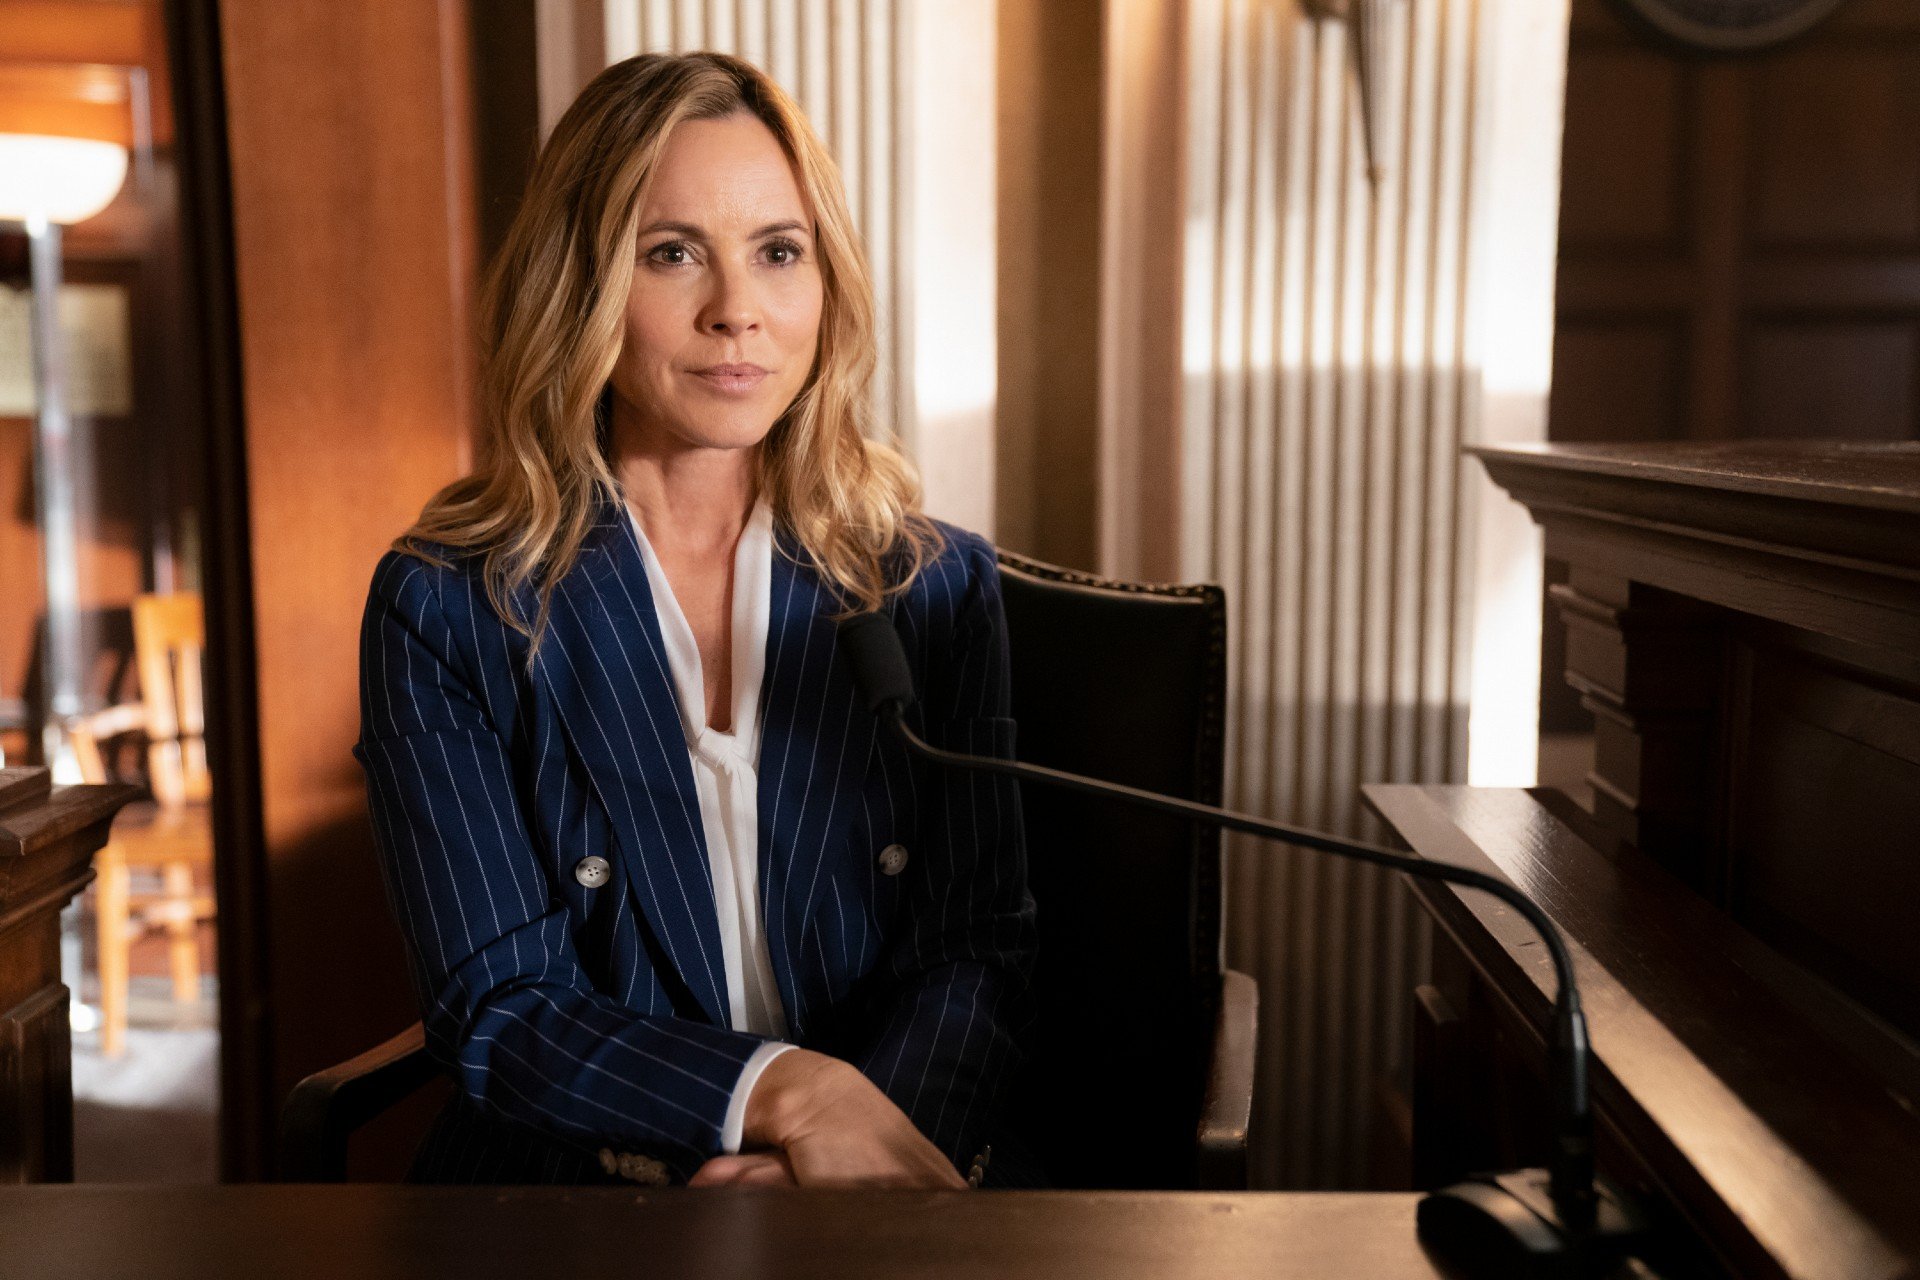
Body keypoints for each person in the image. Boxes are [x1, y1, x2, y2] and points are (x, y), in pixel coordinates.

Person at [352, 50, 1037, 1190]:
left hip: (889, 1184)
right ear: (579, 286)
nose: (738, 312)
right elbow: (502, 1005)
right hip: (574, 1198)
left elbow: (976, 951)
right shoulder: (443, 603)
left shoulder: (933, 586)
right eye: (672, 254)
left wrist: (835, 1155)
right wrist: (782, 1095)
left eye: (780, 252)